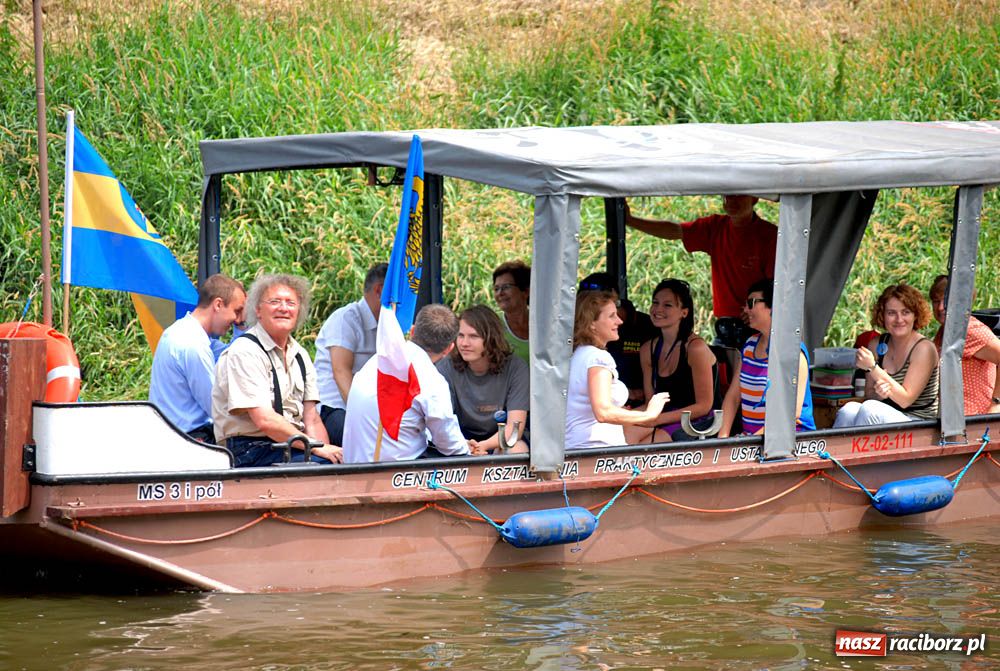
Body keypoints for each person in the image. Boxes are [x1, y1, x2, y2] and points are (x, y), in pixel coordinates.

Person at [212, 274, 342, 466]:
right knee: (319, 465)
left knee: (337, 464)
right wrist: (317, 448)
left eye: (291, 303)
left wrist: (328, 452)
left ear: (299, 310)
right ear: (257, 310)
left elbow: (312, 419)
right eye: (275, 302)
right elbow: (265, 420)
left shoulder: (301, 355)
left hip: (293, 445)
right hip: (248, 449)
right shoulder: (245, 350)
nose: (283, 308)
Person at [625, 195, 776, 348]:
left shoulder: (769, 235)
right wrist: (630, 220)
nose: (731, 200)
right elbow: (676, 231)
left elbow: (775, 285)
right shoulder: (716, 227)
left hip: (758, 327)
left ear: (755, 198)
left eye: (738, 196)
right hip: (725, 328)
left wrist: (757, 307)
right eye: (727, 195)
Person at [343, 304, 474, 463]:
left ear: (412, 331)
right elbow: (449, 444)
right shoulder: (431, 380)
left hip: (354, 462)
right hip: (395, 470)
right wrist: (467, 450)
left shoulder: (378, 359)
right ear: (449, 349)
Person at [566, 290, 670, 449]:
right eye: (611, 316)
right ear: (591, 323)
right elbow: (603, 412)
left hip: (581, 447)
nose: (619, 321)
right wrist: (648, 415)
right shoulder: (598, 358)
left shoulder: (579, 353)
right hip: (597, 449)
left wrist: (622, 412)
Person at [149, 274, 246, 442]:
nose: (237, 319)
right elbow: (215, 405)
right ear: (218, 304)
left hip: (175, 434)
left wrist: (242, 326)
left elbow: (234, 354)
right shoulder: (192, 345)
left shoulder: (185, 333)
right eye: (236, 311)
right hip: (191, 439)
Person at [719, 279, 815, 437]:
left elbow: (792, 413)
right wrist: (722, 439)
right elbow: (733, 397)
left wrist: (750, 442)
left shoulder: (793, 353)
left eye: (751, 303)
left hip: (788, 445)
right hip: (751, 443)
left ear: (774, 305)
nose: (745, 310)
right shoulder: (749, 345)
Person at [834, 283, 939, 427]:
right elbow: (869, 395)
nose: (899, 319)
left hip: (919, 423)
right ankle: (837, 450)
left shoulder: (924, 348)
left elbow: (905, 400)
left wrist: (872, 367)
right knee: (849, 410)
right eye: (891, 313)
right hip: (888, 416)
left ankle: (861, 450)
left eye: (905, 312)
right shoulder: (877, 344)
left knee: (871, 409)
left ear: (916, 315)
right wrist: (879, 394)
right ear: (882, 315)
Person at [437, 305, 529, 453]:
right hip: (460, 441)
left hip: (500, 441)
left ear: (491, 338)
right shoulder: (445, 367)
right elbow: (441, 423)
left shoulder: (516, 367)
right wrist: (464, 445)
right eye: (460, 335)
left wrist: (484, 446)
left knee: (518, 449)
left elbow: (514, 429)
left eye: (473, 336)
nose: (464, 343)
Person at [314, 262, 387, 445]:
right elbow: (341, 372)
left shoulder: (387, 326)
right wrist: (363, 415)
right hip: (336, 409)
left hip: (371, 410)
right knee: (368, 441)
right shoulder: (346, 319)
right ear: (379, 290)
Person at [638, 279, 716, 441]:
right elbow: (649, 401)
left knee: (644, 446)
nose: (658, 309)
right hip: (662, 415)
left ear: (684, 312)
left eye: (668, 305)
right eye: (655, 302)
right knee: (620, 434)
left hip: (695, 421)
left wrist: (655, 419)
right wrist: (623, 417)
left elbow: (704, 406)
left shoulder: (696, 348)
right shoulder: (648, 349)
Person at [578, 272, 656, 408]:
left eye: (591, 306)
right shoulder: (580, 341)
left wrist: (648, 408)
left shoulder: (649, 327)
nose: (584, 312)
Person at [928, 275, 999, 415]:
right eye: (936, 301)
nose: (941, 307)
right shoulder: (944, 329)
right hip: (949, 418)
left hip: (974, 420)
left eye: (947, 301)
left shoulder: (968, 329)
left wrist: (997, 403)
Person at [492, 260, 530, 363]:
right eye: (496, 289)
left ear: (526, 291)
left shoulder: (542, 324)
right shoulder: (493, 326)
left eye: (506, 287)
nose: (500, 293)